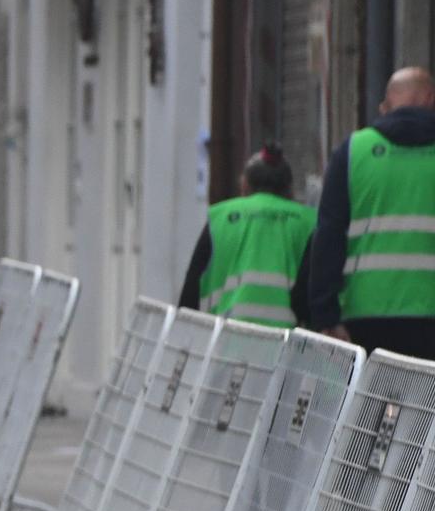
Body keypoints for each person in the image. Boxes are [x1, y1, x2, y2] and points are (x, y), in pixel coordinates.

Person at [311, 66, 435, 359]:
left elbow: (329, 234)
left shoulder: (354, 151)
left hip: (366, 317)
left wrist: (325, 316)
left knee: (374, 404)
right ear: (430, 98)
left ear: (386, 107)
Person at [178, 143, 314, 327]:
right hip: (289, 344)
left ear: (245, 185)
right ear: (289, 188)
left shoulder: (221, 218)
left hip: (227, 338)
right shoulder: (308, 221)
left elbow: (191, 289)